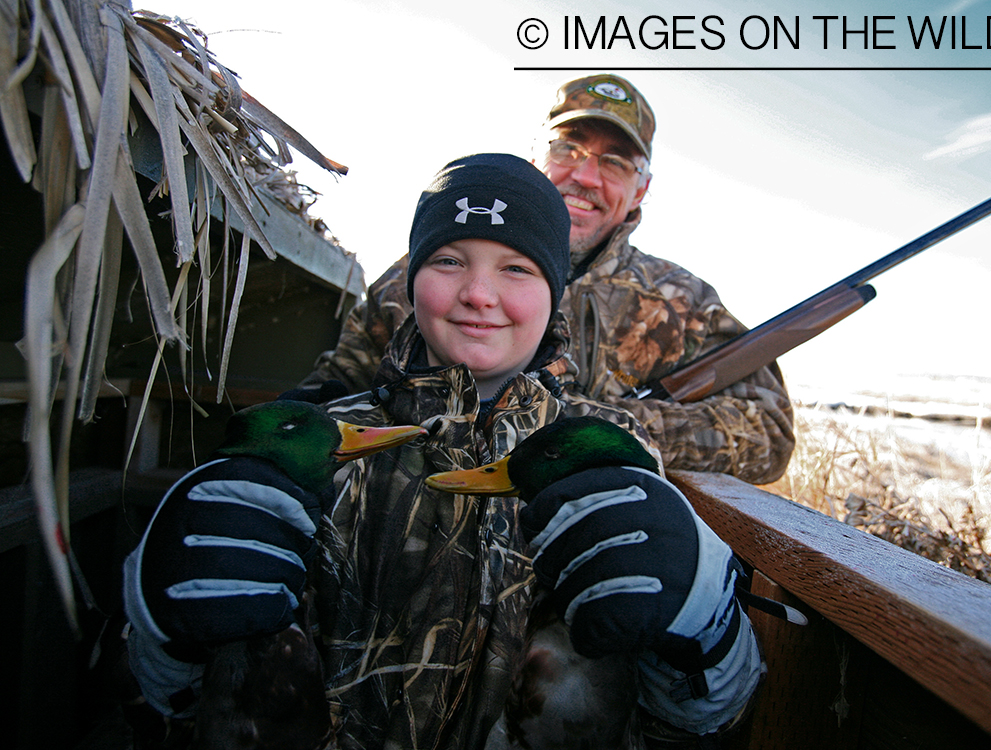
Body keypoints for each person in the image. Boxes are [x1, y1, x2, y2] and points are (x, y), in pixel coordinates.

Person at [123, 154, 764, 749]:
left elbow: (705, 717)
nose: (479, 294)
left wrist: (709, 630)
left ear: (555, 292)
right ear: (412, 277)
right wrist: (159, 625)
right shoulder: (319, 447)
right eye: (450, 261)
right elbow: (178, 704)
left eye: (517, 268)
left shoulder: (610, 462)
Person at [298, 74, 795, 486]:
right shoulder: (424, 270)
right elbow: (333, 387)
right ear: (539, 156)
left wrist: (591, 425)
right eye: (569, 148)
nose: (586, 175)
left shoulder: (682, 302)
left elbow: (769, 434)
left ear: (642, 189)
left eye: (615, 162)